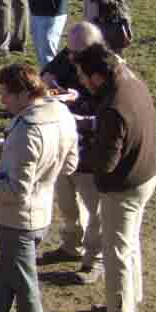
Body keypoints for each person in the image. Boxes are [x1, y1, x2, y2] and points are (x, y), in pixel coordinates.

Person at [0, 63, 78, 312]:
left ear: (24, 93)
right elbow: (71, 165)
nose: (2, 101)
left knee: (26, 292)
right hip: (41, 213)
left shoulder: (26, 132)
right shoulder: (62, 114)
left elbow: (16, 190)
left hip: (17, 220)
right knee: (6, 285)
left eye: (6, 94)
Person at [72, 43, 156, 312]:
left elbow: (105, 163)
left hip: (124, 187)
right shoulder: (132, 82)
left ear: (97, 76)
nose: (82, 82)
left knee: (116, 251)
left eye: (84, 76)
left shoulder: (112, 108)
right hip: (144, 176)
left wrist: (75, 157)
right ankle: (128, 302)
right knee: (129, 244)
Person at [40, 22, 106, 280]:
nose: (70, 57)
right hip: (65, 142)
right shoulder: (70, 56)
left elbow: (104, 111)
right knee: (66, 199)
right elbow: (47, 72)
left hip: (91, 150)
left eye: (76, 52)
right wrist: (50, 81)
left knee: (94, 206)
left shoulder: (105, 70)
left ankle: (94, 259)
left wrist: (75, 99)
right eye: (69, 49)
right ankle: (71, 245)